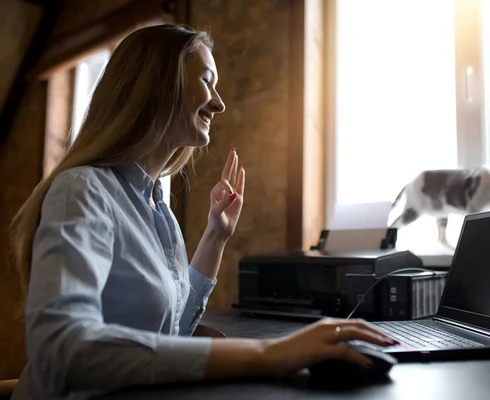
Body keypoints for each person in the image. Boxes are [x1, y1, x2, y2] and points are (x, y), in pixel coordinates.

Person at [9, 24, 397, 399]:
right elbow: (60, 349)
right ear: (159, 85)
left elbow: (171, 331)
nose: (219, 101)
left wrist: (216, 236)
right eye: (207, 80)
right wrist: (269, 354)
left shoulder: (158, 208)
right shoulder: (82, 191)